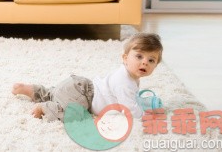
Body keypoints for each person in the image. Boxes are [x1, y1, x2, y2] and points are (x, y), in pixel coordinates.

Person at [11, 32, 163, 121]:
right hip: (84, 97)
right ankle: (44, 108)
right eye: (139, 56)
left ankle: (31, 90)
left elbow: (129, 99)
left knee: (54, 92)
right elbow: (130, 110)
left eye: (151, 60)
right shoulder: (125, 82)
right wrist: (147, 115)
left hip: (79, 85)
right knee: (73, 114)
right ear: (125, 58)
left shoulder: (127, 75)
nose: (145, 63)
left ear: (156, 65)